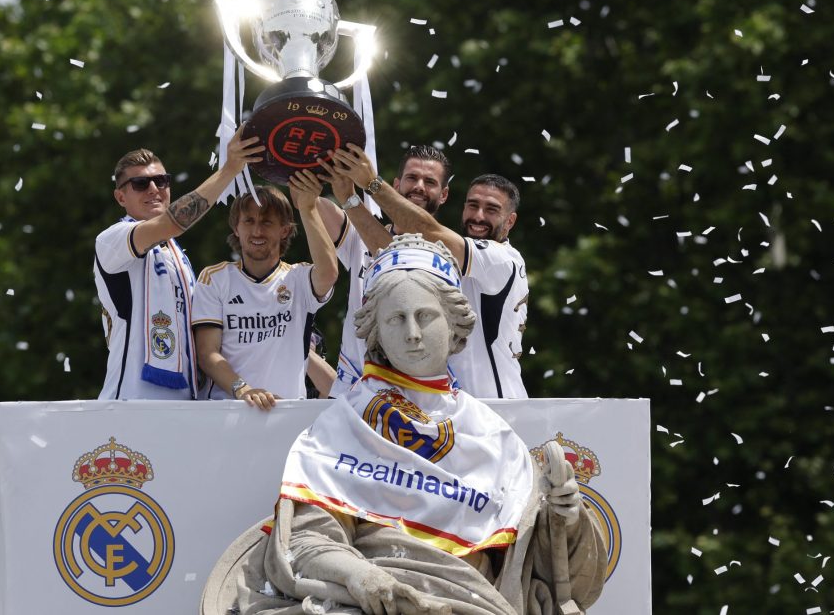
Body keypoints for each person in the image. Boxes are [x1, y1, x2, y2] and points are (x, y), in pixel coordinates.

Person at [201, 235, 606, 615]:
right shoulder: (346, 420)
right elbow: (305, 541)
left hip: (469, 602)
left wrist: (565, 519)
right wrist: (359, 575)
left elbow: (547, 572)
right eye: (396, 319)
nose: (412, 333)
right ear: (376, 332)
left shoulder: (492, 434)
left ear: (454, 324)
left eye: (425, 316)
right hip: (369, 601)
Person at [330, 144, 530, 399]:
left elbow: (428, 231)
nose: (478, 216)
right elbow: (393, 254)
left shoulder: (501, 259)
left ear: (510, 221)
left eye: (491, 209)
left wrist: (372, 183)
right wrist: (349, 200)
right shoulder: (456, 254)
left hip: (496, 405)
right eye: (472, 205)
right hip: (455, 406)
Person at [93, 125, 263, 400]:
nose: (154, 189)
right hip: (131, 402)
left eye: (161, 181)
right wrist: (229, 170)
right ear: (120, 197)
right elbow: (173, 222)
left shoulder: (176, 254)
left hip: (186, 403)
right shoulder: (112, 239)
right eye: (140, 183)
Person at [314, 145, 453, 397]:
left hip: (417, 394)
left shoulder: (449, 252)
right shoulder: (358, 236)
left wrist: (356, 195)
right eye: (412, 178)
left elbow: (400, 262)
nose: (419, 186)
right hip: (355, 389)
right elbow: (311, 203)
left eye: (430, 182)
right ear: (397, 184)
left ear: (443, 195)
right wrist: (309, 165)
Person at [192, 170, 338, 410]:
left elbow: (329, 273)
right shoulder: (215, 278)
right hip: (226, 413)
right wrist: (244, 390)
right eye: (249, 221)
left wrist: (308, 208)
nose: (257, 231)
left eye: (267, 222)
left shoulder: (299, 278)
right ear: (236, 228)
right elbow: (207, 353)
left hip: (287, 414)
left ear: (284, 230)